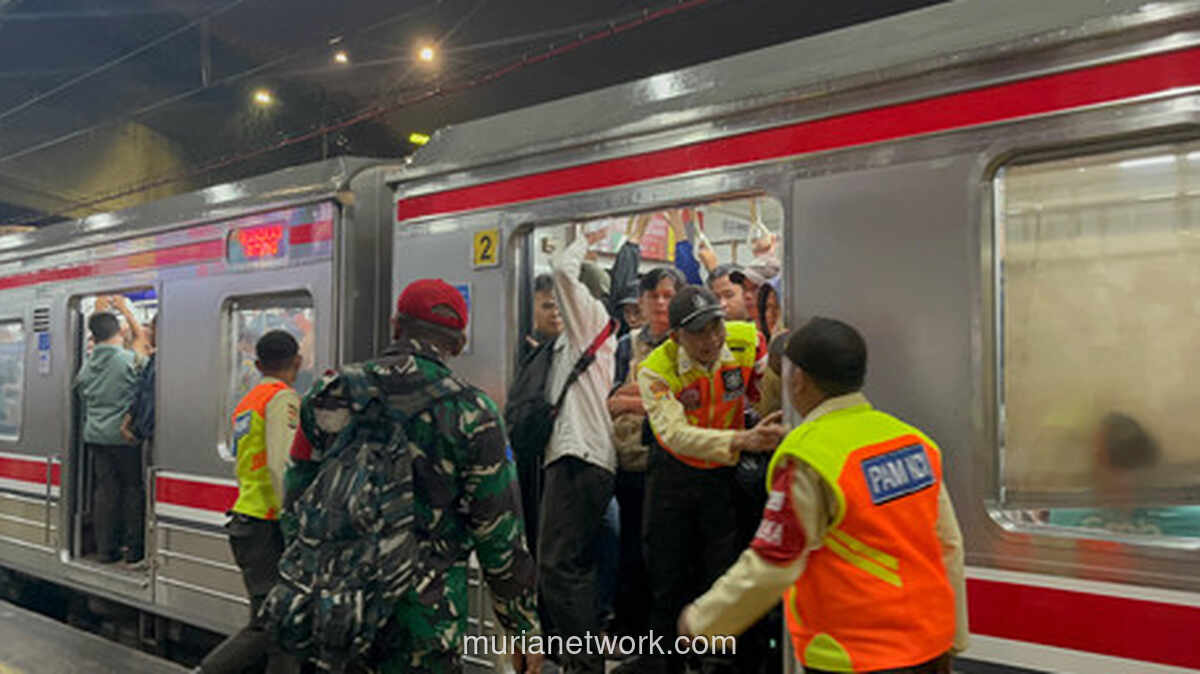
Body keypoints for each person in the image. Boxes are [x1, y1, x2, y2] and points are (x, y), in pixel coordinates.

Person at [678, 318, 969, 674]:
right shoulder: (913, 442)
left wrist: (704, 622)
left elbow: (774, 560)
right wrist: (954, 635)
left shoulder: (810, 456)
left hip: (857, 653)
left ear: (797, 379)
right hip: (930, 646)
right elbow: (949, 544)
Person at [287, 279, 541, 673]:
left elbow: (296, 492)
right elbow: (499, 532)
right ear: (458, 343)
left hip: (333, 611)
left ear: (395, 326)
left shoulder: (329, 390)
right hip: (424, 620)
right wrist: (521, 626)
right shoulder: (474, 411)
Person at [631, 286, 787, 674]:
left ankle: (725, 665)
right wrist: (741, 439)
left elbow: (763, 396)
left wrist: (763, 426)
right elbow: (674, 435)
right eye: (698, 332)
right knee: (667, 580)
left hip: (723, 478)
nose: (711, 339)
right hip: (673, 478)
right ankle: (663, 664)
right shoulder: (656, 369)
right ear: (676, 337)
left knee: (723, 573)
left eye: (715, 326)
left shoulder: (748, 341)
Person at [198, 331, 303, 674]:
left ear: (258, 365)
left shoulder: (249, 401)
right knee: (271, 624)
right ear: (298, 362)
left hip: (248, 516)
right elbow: (279, 465)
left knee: (282, 626)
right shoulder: (282, 399)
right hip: (267, 524)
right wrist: (292, 522)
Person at [538, 226, 618, 674]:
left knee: (558, 566)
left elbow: (561, 271)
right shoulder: (582, 336)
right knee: (571, 564)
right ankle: (582, 660)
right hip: (583, 457)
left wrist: (582, 235)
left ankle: (582, 664)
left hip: (579, 455)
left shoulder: (590, 316)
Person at [606, 267, 684, 641]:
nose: (660, 303)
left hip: (671, 465)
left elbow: (683, 401)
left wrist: (633, 399)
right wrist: (646, 399)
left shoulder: (687, 344)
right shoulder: (625, 346)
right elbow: (609, 401)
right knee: (628, 549)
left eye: (668, 296)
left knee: (665, 556)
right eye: (653, 296)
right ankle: (629, 628)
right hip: (626, 462)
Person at [74, 299, 147, 564]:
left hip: (95, 436)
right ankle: (134, 549)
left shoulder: (86, 366)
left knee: (105, 491)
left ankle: (106, 549)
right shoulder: (129, 361)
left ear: (94, 336)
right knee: (131, 489)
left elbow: (81, 392)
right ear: (120, 331)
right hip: (124, 437)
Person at [1049, 413, 1200, 537]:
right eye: (1108, 464)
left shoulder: (1188, 518)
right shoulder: (1067, 514)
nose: (1119, 479)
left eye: (1124, 462)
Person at [521, 273, 563, 363]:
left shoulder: (575, 347)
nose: (555, 313)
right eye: (547, 306)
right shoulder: (523, 348)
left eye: (561, 307)